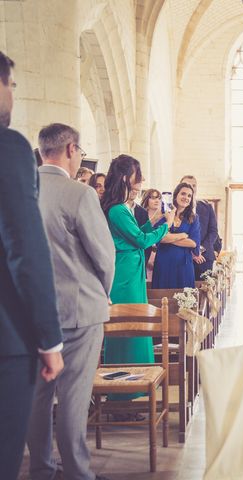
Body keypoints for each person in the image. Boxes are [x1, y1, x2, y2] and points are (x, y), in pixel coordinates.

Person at [27, 123, 115, 480]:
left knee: (39, 396)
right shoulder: (79, 194)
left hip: (32, 313)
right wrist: (102, 292)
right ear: (70, 149)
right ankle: (78, 473)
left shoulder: (19, 191)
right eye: (79, 151)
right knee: (74, 401)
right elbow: (104, 256)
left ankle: (41, 468)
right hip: (79, 311)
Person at [0, 50, 63, 480]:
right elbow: (24, 247)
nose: (12, 96)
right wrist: (49, 340)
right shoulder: (9, 148)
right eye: (11, 85)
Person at [101, 155, 181, 399]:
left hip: (131, 268)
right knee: (128, 330)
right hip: (124, 273)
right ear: (126, 177)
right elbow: (141, 241)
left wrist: (154, 222)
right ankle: (121, 395)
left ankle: (136, 389)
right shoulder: (117, 209)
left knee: (138, 330)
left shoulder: (122, 208)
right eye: (138, 176)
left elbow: (136, 235)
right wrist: (165, 225)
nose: (141, 181)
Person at [152, 182, 201, 289]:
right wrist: (182, 235)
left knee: (184, 300)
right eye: (183, 194)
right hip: (164, 264)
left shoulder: (194, 218)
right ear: (176, 195)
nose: (186, 198)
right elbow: (159, 237)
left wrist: (169, 237)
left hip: (184, 266)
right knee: (162, 299)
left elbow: (193, 243)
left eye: (189, 196)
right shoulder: (164, 215)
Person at [180, 175, 221, 281]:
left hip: (204, 257)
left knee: (204, 293)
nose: (192, 188)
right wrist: (191, 251)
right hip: (183, 256)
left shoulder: (206, 207)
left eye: (194, 185)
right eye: (188, 185)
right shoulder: (177, 208)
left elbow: (213, 231)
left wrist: (200, 249)